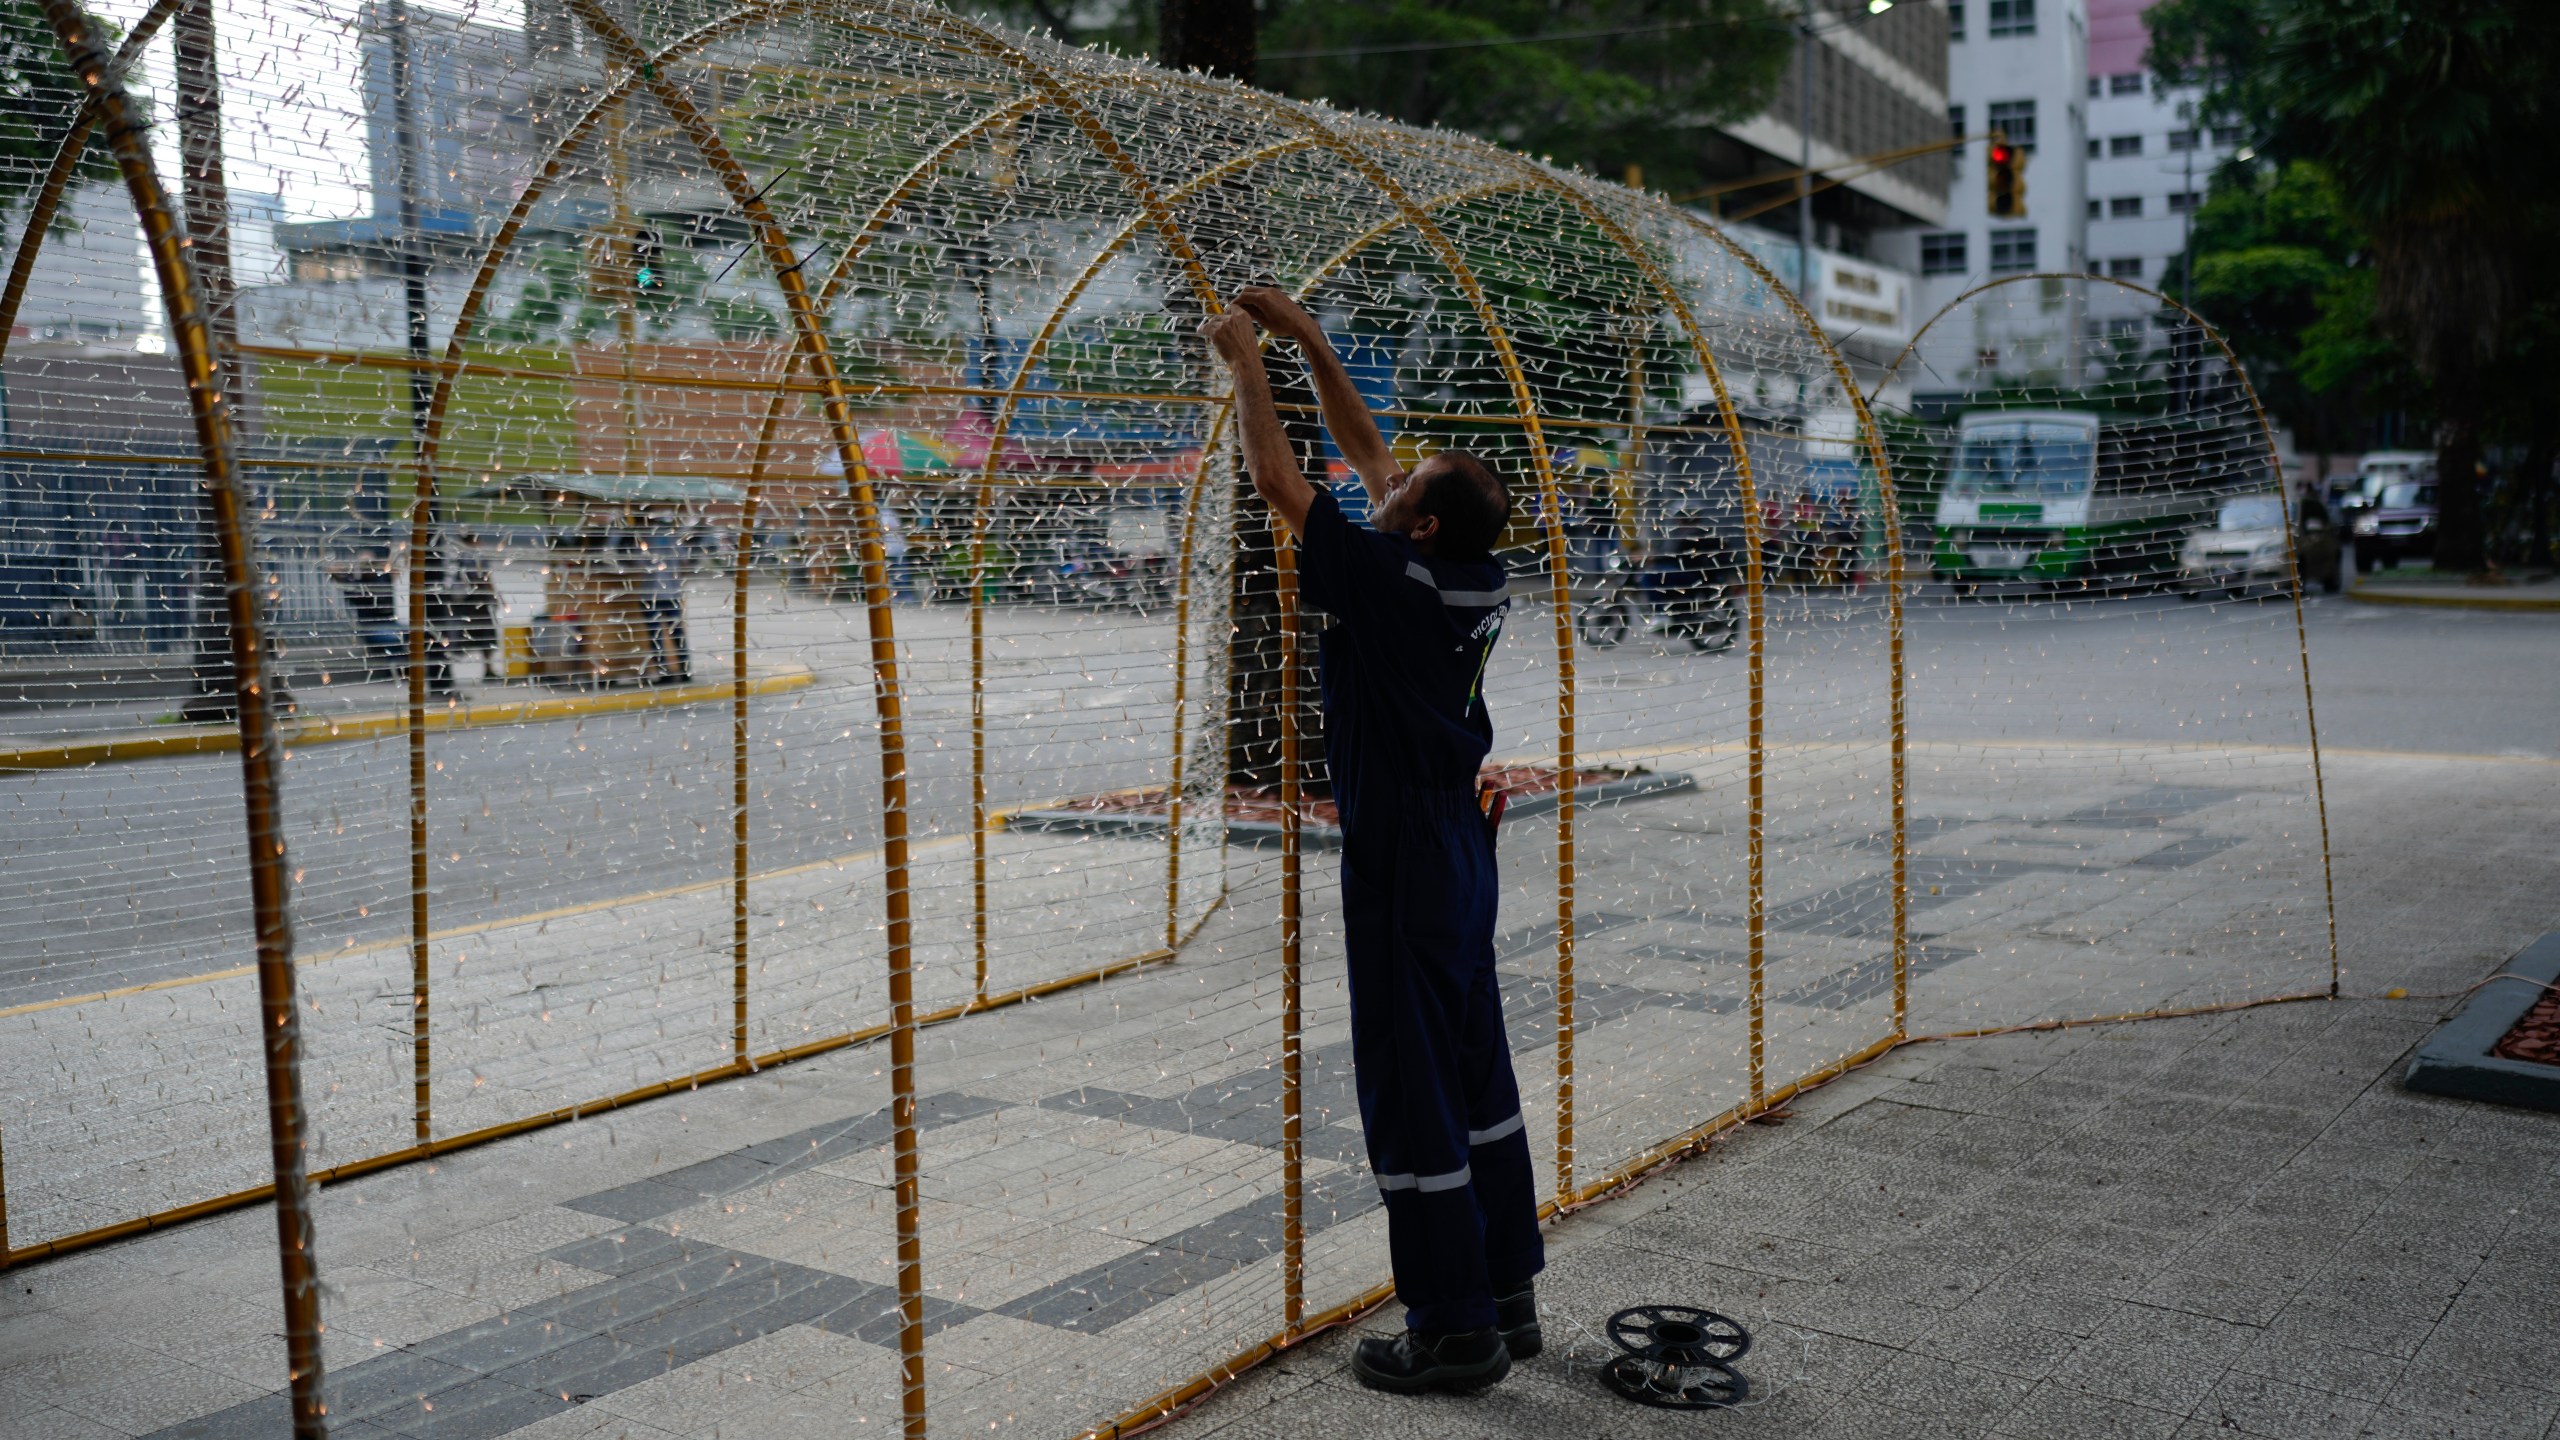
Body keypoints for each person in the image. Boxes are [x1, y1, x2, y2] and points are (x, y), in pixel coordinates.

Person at [1206, 287, 1543, 1396]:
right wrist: (1307, 341)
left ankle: (1451, 1332)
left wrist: (1243, 363)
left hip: (1401, 845)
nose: (1384, 483)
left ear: (1422, 522)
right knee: (1472, 1061)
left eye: (1401, 490)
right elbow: (1366, 455)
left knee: (1409, 1080)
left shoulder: (1389, 579)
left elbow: (1277, 482)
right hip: (1461, 844)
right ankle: (1505, 1293)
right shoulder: (1468, 574)